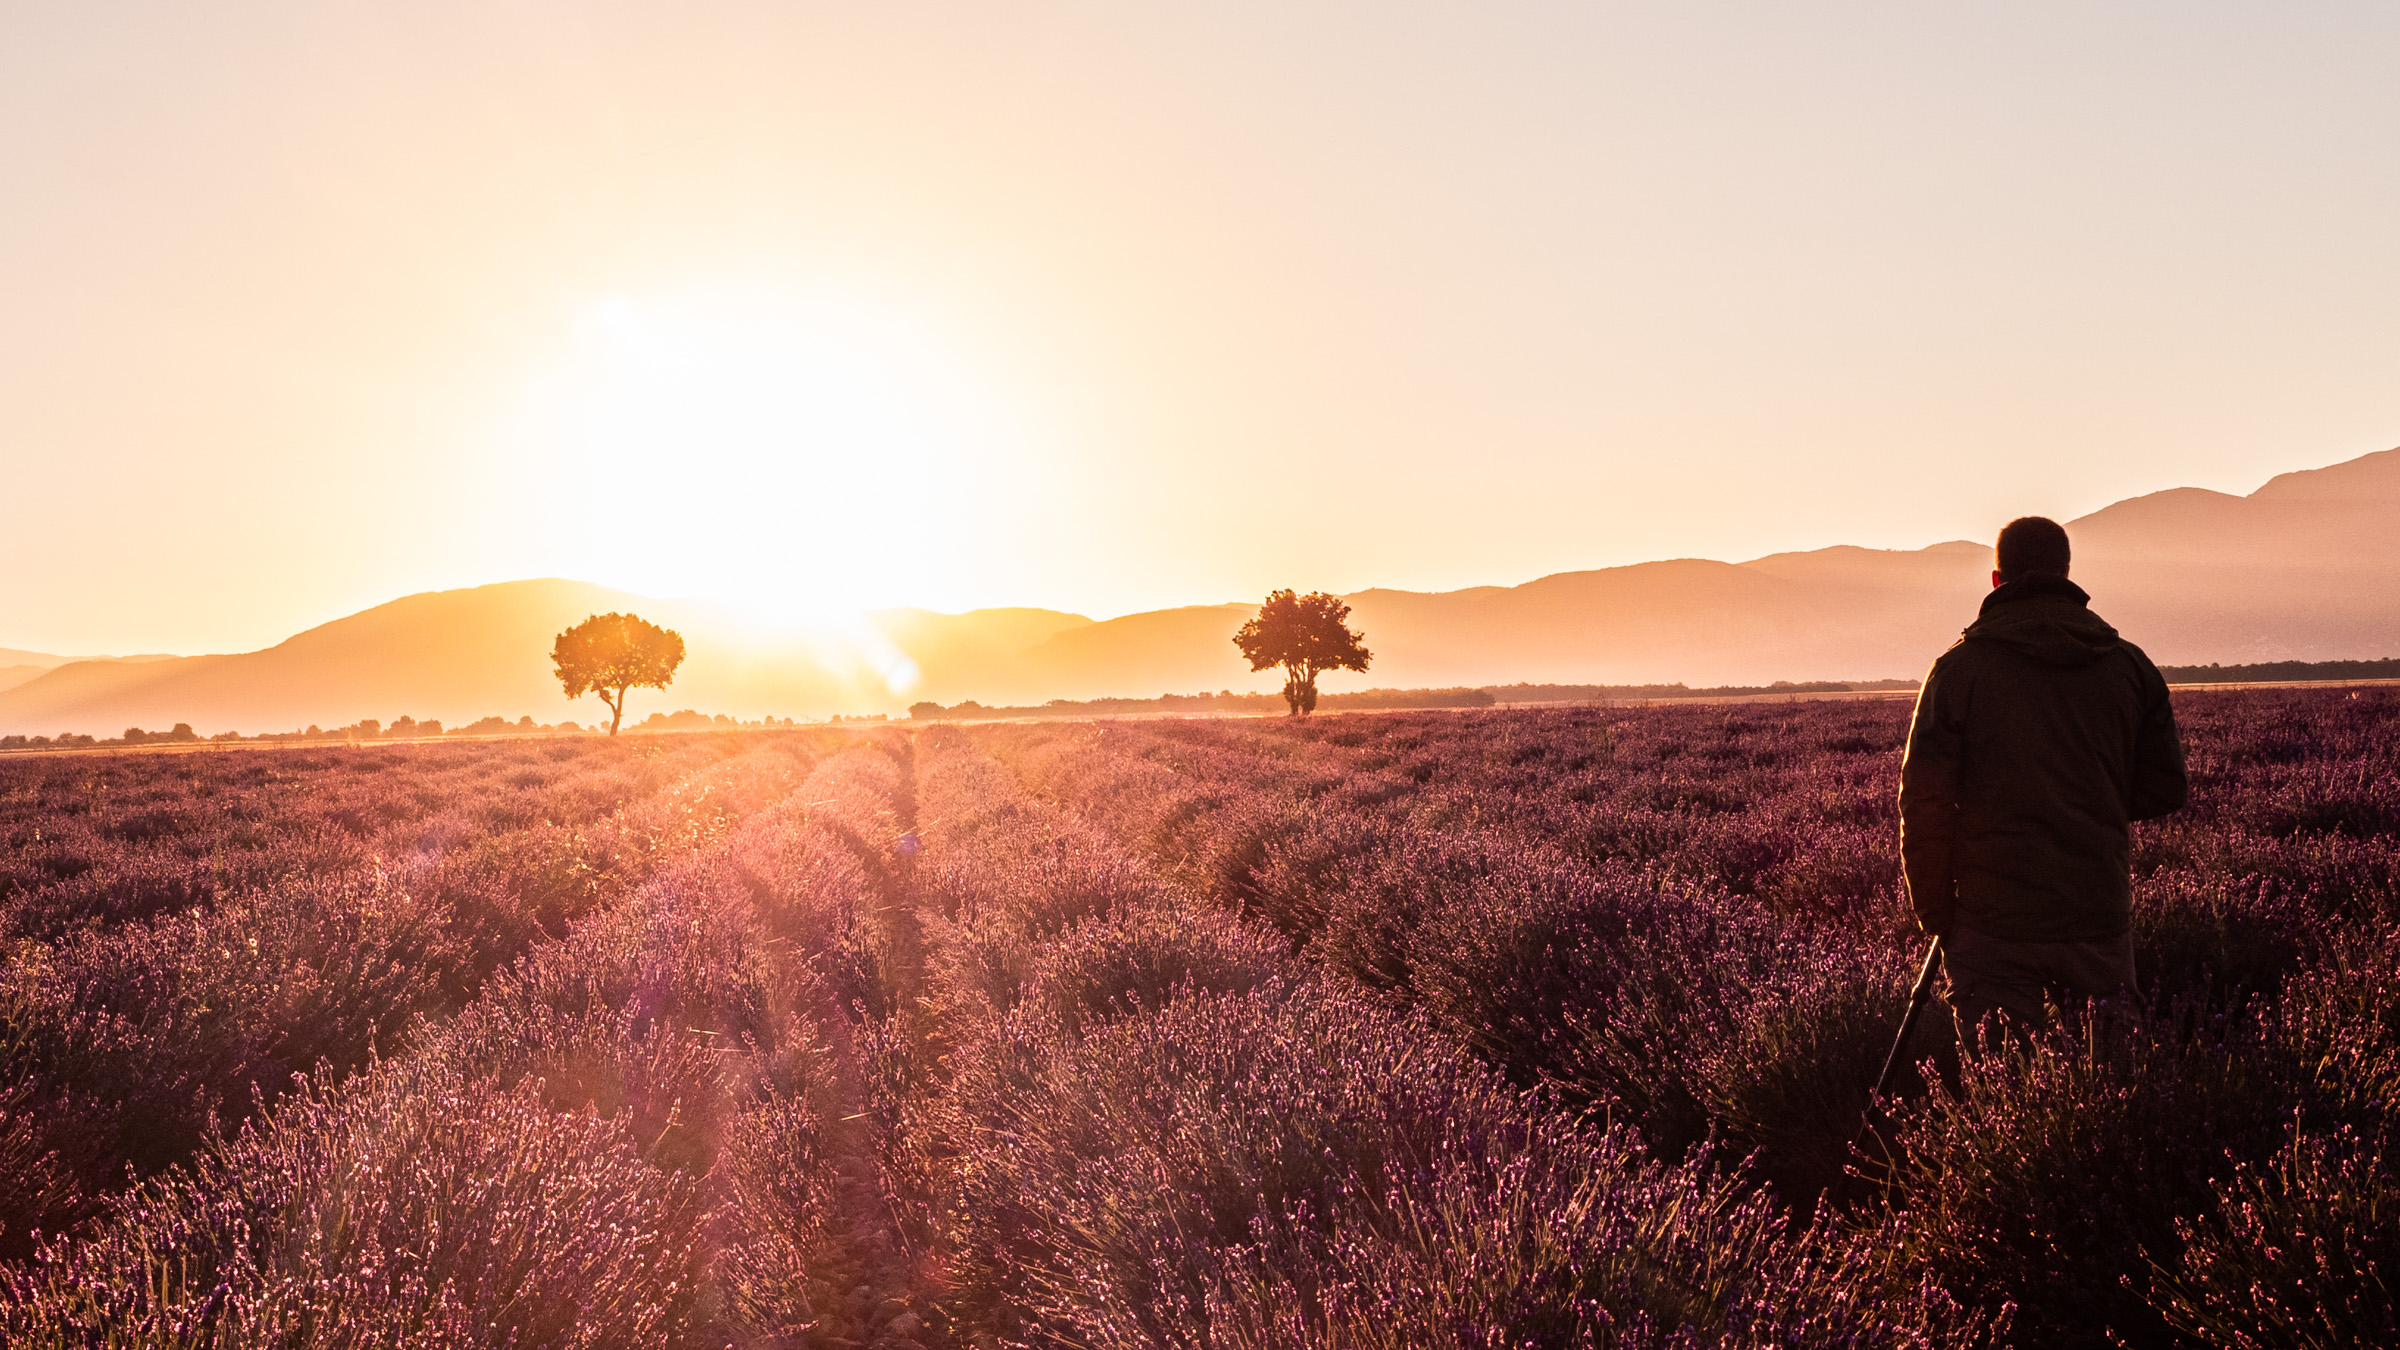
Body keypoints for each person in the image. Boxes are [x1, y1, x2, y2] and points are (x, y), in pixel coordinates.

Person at [1898, 515, 2187, 1033]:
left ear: (1996, 579)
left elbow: (1923, 804)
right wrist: (2091, 802)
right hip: (2095, 912)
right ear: (2067, 572)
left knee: (2005, 1085)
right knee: (2114, 1087)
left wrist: (1937, 912)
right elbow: (2166, 787)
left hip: (1992, 922)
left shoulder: (1958, 671)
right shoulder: (2129, 667)